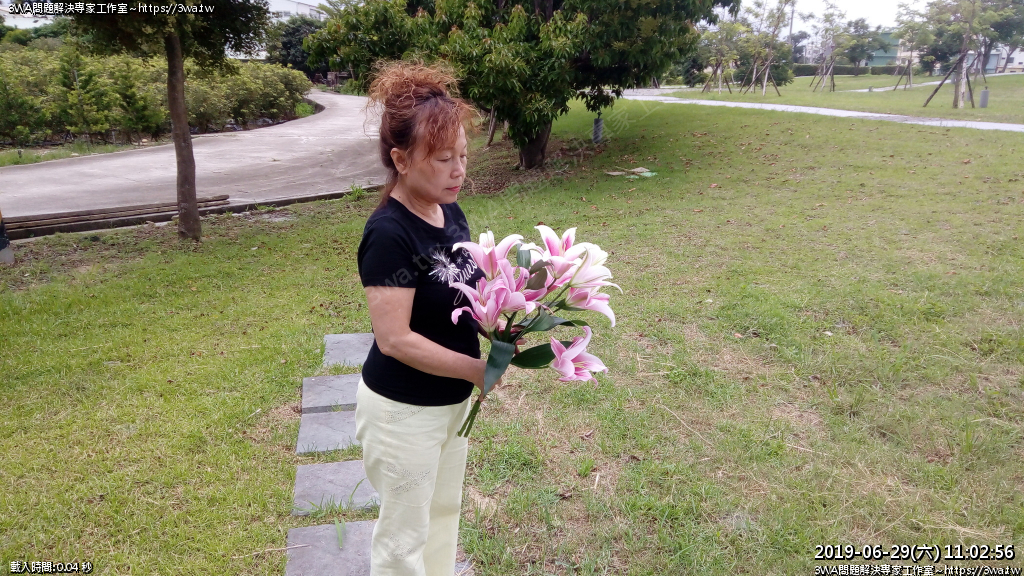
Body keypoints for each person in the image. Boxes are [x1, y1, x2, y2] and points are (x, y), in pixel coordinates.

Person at [354, 61, 497, 576]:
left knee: (441, 517)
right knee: (403, 541)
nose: (459, 171)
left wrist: (506, 323)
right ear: (400, 159)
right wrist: (477, 370)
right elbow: (394, 339)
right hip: (403, 412)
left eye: (463, 155)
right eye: (443, 159)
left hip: (450, 404)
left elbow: (465, 291)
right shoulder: (389, 234)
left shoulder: (449, 210)